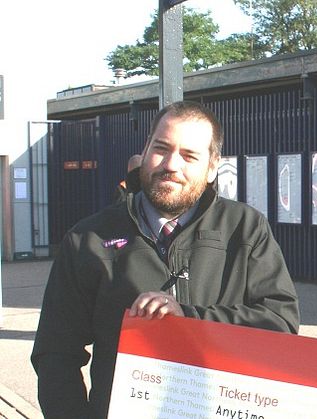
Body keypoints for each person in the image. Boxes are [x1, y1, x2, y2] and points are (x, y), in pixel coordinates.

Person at [32, 100, 300, 418]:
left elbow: (279, 323)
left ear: (213, 166)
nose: (171, 164)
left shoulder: (245, 228)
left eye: (189, 155)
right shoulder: (87, 240)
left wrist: (188, 318)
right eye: (161, 148)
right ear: (145, 150)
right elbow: (56, 355)